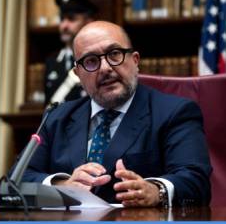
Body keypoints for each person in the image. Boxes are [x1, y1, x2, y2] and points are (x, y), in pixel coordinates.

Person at [23, 21, 211, 207]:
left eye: (114, 54)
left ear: (135, 61)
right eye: (91, 61)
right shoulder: (56, 116)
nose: (105, 68)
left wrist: (156, 191)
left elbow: (196, 181)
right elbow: (18, 178)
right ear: (78, 74)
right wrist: (62, 186)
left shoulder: (175, 112)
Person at [44, 0, 98, 104]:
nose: (64, 26)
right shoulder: (52, 61)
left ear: (88, 22)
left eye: (71, 19)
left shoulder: (97, 60)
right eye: (62, 19)